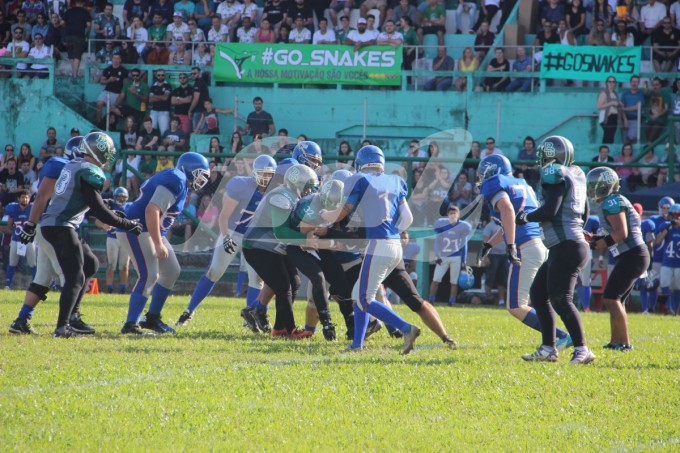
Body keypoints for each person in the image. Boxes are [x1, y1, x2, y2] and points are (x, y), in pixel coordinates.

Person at [38, 132, 143, 337]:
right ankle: (62, 326)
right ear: (100, 151)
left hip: (56, 223)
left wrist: (112, 212)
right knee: (75, 277)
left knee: (90, 263)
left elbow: (90, 203)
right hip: (61, 225)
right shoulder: (88, 170)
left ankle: (73, 318)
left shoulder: (75, 165)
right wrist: (126, 224)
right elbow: (98, 208)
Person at [320, 145, 422, 354]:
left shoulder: (360, 179)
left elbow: (343, 212)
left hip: (378, 245)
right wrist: (392, 231)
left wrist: (324, 214)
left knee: (364, 298)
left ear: (360, 163)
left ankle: (406, 328)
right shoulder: (395, 180)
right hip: (394, 246)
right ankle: (357, 344)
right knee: (361, 294)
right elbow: (408, 218)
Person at [515, 135, 595, 364]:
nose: (542, 158)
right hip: (569, 244)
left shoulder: (554, 173)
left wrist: (525, 217)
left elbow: (550, 210)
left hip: (567, 245)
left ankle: (582, 349)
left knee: (561, 299)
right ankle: (548, 348)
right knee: (539, 293)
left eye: (545, 154)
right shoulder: (577, 174)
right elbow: (585, 213)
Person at [177, 154, 277, 327]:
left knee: (258, 279)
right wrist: (226, 237)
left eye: (269, 174)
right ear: (255, 173)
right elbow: (224, 216)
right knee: (214, 271)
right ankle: (189, 311)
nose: (266, 178)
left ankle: (251, 319)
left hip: (253, 239)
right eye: (263, 173)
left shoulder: (274, 191)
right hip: (231, 232)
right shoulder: (242, 185)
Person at [118, 152, 210, 335]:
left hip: (147, 229)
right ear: (190, 168)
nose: (202, 179)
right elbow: (152, 210)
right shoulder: (176, 178)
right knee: (149, 275)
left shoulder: (181, 182)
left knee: (172, 270)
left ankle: (152, 318)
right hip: (136, 228)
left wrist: (159, 239)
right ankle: (130, 324)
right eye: (200, 173)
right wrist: (158, 243)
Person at [9, 137, 83, 335]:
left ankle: (21, 320)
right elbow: (42, 196)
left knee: (42, 277)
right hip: (52, 228)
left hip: (49, 228)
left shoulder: (71, 168)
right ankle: (66, 323)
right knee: (71, 277)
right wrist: (30, 224)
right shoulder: (60, 165)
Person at [586, 167, 650, 350]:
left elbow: (621, 232)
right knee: (616, 299)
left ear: (605, 186)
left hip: (633, 254)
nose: (591, 189)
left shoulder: (612, 202)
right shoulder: (612, 200)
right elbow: (616, 233)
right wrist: (596, 239)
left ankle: (625, 344)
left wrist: (602, 243)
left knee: (611, 298)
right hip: (631, 254)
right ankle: (616, 342)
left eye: (594, 186)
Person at [428, 205, 471, 306]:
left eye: (454, 213)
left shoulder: (463, 226)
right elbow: (437, 241)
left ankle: (451, 302)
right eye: (450, 213)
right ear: (447, 215)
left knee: (454, 281)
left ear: (458, 215)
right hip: (443, 256)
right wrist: (437, 255)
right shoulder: (442, 224)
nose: (452, 215)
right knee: (436, 280)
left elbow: (464, 244)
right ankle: (431, 300)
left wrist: (464, 260)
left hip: (456, 256)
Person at [99, 187, 131, 294]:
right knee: (111, 265)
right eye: (119, 196)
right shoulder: (110, 206)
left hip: (125, 238)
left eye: (123, 197)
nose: (121, 199)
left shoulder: (129, 207)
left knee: (124, 265)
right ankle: (109, 288)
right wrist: (104, 225)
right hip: (112, 238)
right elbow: (98, 220)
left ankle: (123, 288)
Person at [3, 190, 35, 289]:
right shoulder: (13, 208)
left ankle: (35, 284)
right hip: (16, 239)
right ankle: (8, 285)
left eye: (26, 197)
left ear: (29, 199)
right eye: (22, 197)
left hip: (29, 240)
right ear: (19, 198)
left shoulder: (32, 209)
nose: (24, 199)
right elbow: (9, 222)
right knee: (12, 263)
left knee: (32, 263)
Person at [654, 203, 680, 315]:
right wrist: (667, 229)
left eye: (676, 215)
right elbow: (657, 241)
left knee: (678, 287)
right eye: (672, 215)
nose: (674, 217)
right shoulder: (666, 225)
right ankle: (669, 307)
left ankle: (675, 309)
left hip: (679, 263)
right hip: (667, 262)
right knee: (664, 284)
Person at [96, 53, 128, 124]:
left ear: (120, 60)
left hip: (117, 93)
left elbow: (125, 84)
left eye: (117, 58)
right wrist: (109, 80)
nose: (115, 60)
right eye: (114, 58)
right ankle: (99, 121)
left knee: (112, 111)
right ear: (112, 59)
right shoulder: (107, 69)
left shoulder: (124, 71)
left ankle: (111, 126)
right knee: (99, 103)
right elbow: (102, 81)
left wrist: (123, 95)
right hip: (106, 91)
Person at [63, 0, 91, 77]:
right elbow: (88, 25)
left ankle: (74, 72)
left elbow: (62, 23)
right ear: (83, 3)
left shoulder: (68, 11)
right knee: (77, 55)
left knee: (71, 55)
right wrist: (87, 33)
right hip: (79, 35)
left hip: (68, 36)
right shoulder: (85, 12)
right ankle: (75, 74)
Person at [597, 76, 627, 144]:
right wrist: (611, 103)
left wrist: (619, 104)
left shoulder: (615, 94)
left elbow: (617, 106)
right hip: (607, 117)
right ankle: (604, 151)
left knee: (611, 136)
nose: (611, 83)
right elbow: (599, 106)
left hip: (614, 116)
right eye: (609, 81)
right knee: (608, 136)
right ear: (606, 83)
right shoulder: (604, 93)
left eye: (613, 82)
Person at [645, 77, 672, 145]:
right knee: (647, 129)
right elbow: (645, 93)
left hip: (660, 119)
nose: (655, 86)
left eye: (657, 85)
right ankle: (649, 146)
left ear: (660, 85)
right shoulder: (651, 92)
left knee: (654, 131)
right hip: (650, 118)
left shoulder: (665, 93)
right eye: (653, 85)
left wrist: (657, 115)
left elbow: (666, 108)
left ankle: (648, 146)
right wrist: (649, 89)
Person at [620, 75, 645, 143]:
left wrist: (624, 109)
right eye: (633, 81)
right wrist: (625, 120)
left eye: (636, 82)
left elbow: (637, 107)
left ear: (639, 83)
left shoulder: (641, 94)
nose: (634, 83)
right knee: (625, 141)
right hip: (624, 119)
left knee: (631, 138)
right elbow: (621, 108)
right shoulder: (625, 94)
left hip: (635, 119)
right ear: (630, 83)